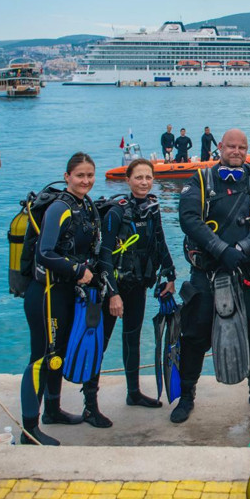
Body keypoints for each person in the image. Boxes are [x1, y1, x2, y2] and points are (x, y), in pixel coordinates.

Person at [173, 128, 250, 423]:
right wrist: (220, 249)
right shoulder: (200, 179)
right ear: (220, 147)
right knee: (194, 334)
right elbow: (189, 218)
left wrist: (243, 247)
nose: (236, 151)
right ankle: (186, 396)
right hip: (206, 272)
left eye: (242, 147)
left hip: (246, 270)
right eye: (231, 146)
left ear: (247, 150)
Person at [80, 158, 177, 427]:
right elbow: (105, 256)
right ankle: (90, 406)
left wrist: (170, 275)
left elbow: (160, 242)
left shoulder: (152, 208)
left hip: (137, 285)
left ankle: (133, 393)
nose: (144, 183)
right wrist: (112, 294)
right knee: (100, 345)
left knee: (132, 338)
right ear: (128, 180)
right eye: (139, 178)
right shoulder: (116, 212)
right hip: (112, 289)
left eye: (148, 178)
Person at [20, 152, 100, 445]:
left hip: (65, 293)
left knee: (58, 354)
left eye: (89, 175)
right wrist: (77, 270)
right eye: (80, 175)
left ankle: (52, 411)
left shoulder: (85, 205)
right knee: (41, 358)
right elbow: (45, 252)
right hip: (46, 294)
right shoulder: (59, 208)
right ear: (67, 177)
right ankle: (29, 430)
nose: (85, 181)